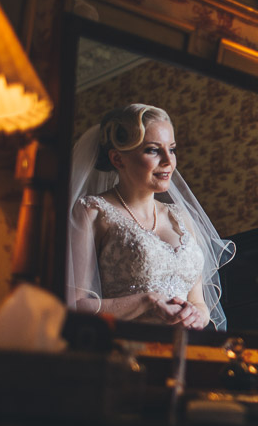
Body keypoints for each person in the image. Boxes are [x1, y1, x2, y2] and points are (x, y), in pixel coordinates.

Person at [67, 103, 234, 330]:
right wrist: (147, 301)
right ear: (118, 159)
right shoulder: (93, 212)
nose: (168, 161)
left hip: (184, 345)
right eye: (153, 150)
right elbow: (74, 305)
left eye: (172, 149)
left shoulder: (180, 217)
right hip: (129, 344)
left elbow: (199, 303)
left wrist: (198, 316)